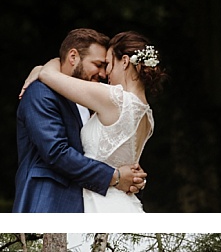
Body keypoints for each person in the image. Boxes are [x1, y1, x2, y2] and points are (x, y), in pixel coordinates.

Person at [22, 31, 163, 213]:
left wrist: (44, 66)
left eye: (109, 65)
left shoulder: (113, 98)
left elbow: (48, 75)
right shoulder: (147, 115)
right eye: (100, 65)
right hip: (121, 202)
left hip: (98, 201)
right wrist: (131, 179)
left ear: (125, 62)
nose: (105, 74)